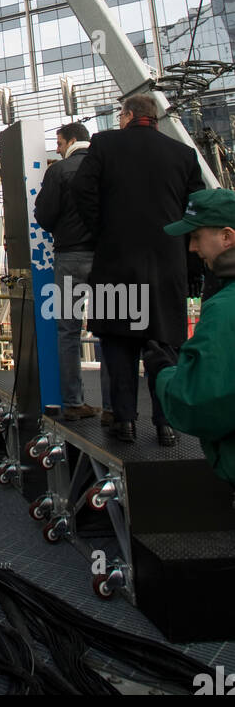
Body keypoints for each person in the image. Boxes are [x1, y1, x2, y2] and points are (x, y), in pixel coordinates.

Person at [71, 94, 204, 445]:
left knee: (118, 344)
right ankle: (165, 424)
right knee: (164, 346)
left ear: (128, 115)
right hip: (166, 265)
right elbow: (196, 211)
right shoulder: (183, 155)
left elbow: (82, 189)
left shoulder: (105, 145)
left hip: (117, 262)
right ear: (155, 118)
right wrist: (188, 262)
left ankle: (125, 421)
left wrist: (102, 229)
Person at [141, 189, 235, 490]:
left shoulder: (224, 310)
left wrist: (165, 373)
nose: (192, 247)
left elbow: (198, 404)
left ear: (227, 237)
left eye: (197, 236)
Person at [34, 122, 103, 421]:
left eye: (59, 143)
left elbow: (45, 215)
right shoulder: (106, 166)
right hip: (106, 257)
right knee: (113, 331)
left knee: (68, 331)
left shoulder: (59, 172)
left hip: (70, 256)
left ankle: (74, 402)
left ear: (72, 141)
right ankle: (115, 408)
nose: (58, 149)